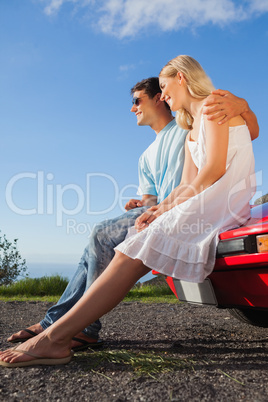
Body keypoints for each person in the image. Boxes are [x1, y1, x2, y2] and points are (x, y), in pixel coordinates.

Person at [0, 58, 257, 366]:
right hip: (201, 201)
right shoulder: (190, 131)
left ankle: (55, 336)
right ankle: (57, 334)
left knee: (127, 248)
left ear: (181, 78)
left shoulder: (217, 104)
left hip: (220, 204)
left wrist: (243, 105)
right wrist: (160, 209)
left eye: (163, 86)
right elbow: (186, 184)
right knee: (130, 244)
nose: (163, 95)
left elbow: (214, 169)